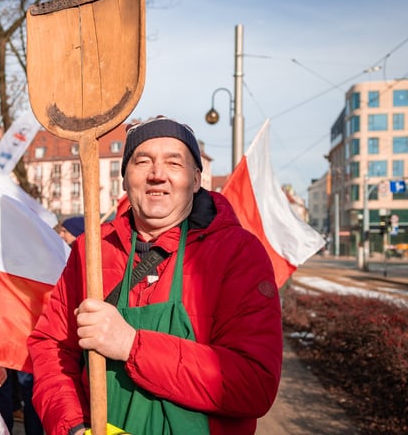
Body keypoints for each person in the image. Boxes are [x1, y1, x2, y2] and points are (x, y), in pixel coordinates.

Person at [28, 116, 283, 435]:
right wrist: (73, 426)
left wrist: (132, 345)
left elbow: (255, 386)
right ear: (124, 179)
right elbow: (52, 347)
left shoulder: (238, 253)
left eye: (174, 163)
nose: (157, 175)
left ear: (195, 179)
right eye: (142, 161)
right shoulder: (90, 250)